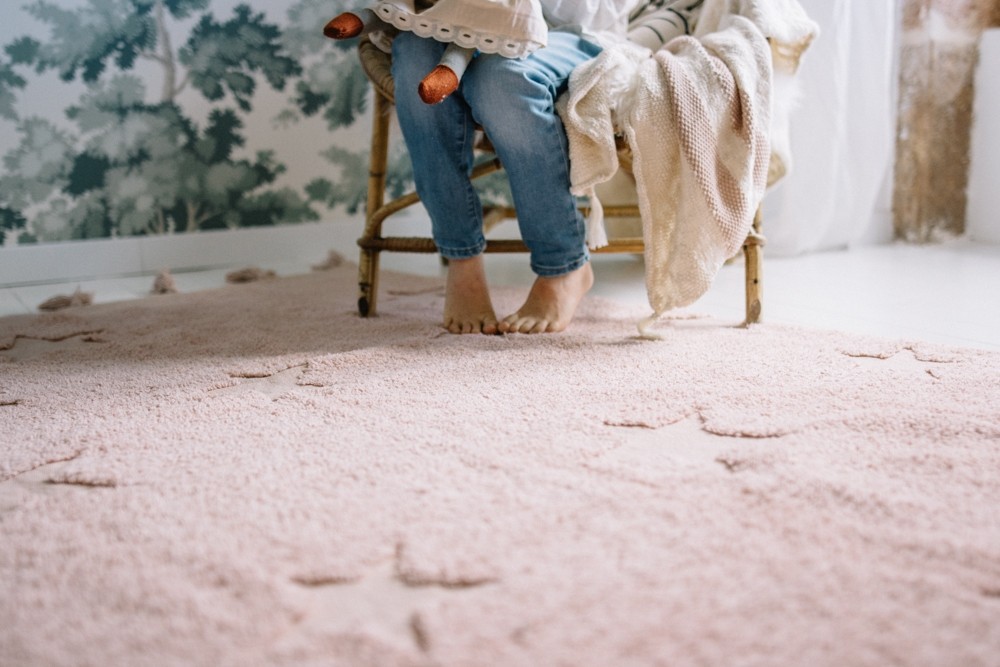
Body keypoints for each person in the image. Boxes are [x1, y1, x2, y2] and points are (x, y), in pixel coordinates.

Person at [391, 1, 646, 334]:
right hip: (458, 23)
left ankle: (563, 265)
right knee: (415, 55)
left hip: (573, 34)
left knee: (502, 79)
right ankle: (462, 258)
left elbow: (593, 13)